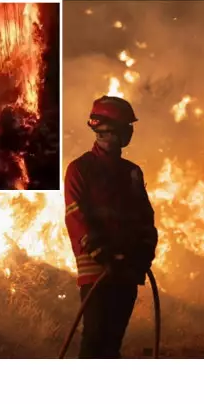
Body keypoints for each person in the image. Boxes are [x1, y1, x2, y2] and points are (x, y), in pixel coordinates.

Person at [63, 96, 158, 358]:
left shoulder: (132, 172)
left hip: (127, 269)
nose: (130, 132)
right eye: (126, 126)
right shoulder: (80, 169)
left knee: (112, 344)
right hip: (97, 270)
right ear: (106, 129)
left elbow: (145, 220)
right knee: (94, 340)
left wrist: (143, 254)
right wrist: (100, 252)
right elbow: (76, 216)